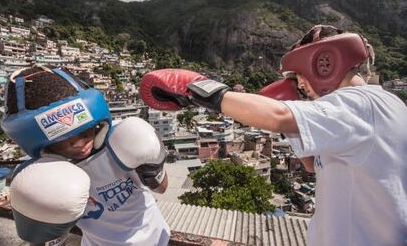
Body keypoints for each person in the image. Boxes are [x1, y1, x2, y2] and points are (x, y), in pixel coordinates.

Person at [139, 25, 407, 246]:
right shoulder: (372, 108)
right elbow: (315, 165)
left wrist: (200, 89)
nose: (299, 85)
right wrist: (294, 127)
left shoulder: (362, 103)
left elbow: (278, 115)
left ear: (326, 63)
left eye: (300, 76)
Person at [1, 66, 170, 246]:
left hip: (157, 238)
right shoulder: (40, 174)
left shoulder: (123, 139)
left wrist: (154, 168)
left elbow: (161, 188)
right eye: (62, 138)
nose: (78, 142)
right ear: (39, 140)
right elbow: (41, 240)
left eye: (83, 129)